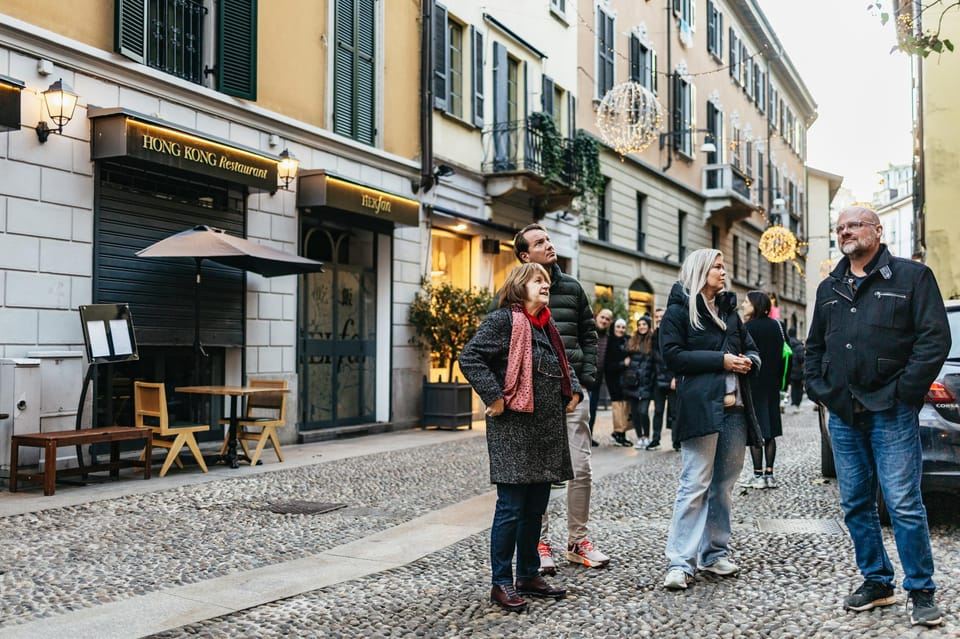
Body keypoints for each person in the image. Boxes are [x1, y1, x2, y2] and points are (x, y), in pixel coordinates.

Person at [804, 206, 950, 627]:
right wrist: (822, 389)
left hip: (891, 411)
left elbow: (934, 339)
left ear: (877, 231)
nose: (845, 231)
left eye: (853, 225)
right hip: (845, 413)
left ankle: (921, 590)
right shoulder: (830, 287)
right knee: (854, 504)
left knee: (903, 503)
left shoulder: (912, 277)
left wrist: (905, 393)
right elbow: (814, 348)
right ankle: (877, 581)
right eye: (839, 227)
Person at [459, 262, 579, 612]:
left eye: (546, 281)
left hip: (545, 431)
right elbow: (471, 358)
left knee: (535, 508)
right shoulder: (503, 321)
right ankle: (501, 582)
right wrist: (494, 396)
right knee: (511, 508)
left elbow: (562, 363)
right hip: (513, 429)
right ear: (518, 286)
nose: (545, 285)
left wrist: (574, 389)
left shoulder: (546, 325)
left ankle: (528, 574)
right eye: (537, 280)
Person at [659, 249, 763, 590]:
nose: (724, 272)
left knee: (724, 486)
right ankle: (680, 561)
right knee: (694, 484)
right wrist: (723, 361)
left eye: (723, 265)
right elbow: (673, 357)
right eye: (718, 266)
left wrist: (749, 361)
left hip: (736, 411)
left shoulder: (731, 312)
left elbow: (751, 348)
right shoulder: (678, 311)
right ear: (701, 270)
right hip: (701, 408)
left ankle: (714, 552)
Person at [511, 223, 609, 574]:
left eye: (549, 239)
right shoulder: (515, 293)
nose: (549, 245)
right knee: (537, 474)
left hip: (571, 395)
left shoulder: (571, 288)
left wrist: (583, 382)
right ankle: (539, 543)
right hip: (535, 400)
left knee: (580, 469)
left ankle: (577, 541)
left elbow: (589, 334)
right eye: (539, 242)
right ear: (525, 255)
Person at [742, 291, 785, 489]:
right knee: (771, 430)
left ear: (755, 305)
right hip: (772, 384)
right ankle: (770, 474)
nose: (743, 305)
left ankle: (758, 475)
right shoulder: (777, 326)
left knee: (756, 430)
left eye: (746, 302)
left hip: (753, 384)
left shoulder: (747, 328)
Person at [623, 315, 656, 449]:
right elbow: (624, 353)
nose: (642, 326)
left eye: (644, 324)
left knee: (643, 411)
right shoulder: (632, 340)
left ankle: (647, 437)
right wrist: (624, 361)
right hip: (633, 383)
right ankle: (640, 438)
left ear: (648, 326)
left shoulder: (652, 341)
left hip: (646, 382)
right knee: (635, 413)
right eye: (640, 324)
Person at [652, 308, 679, 451]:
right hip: (658, 380)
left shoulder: (673, 333)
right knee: (658, 411)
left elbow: (676, 356)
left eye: (661, 316)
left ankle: (676, 442)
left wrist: (675, 377)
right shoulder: (654, 335)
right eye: (656, 316)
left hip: (672, 379)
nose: (659, 318)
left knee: (675, 412)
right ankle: (655, 440)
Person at [588, 308, 614, 447]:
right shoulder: (588, 332)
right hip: (584, 379)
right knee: (581, 412)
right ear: (597, 317)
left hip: (597, 381)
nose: (604, 320)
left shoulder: (608, 338)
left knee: (592, 411)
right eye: (602, 317)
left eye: (607, 319)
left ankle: (588, 436)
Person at [606, 318, 632, 447]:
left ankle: (622, 434)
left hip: (627, 380)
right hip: (614, 379)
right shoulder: (609, 342)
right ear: (614, 327)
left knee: (626, 407)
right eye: (618, 327)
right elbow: (608, 365)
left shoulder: (628, 340)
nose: (621, 329)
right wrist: (623, 364)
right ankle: (618, 433)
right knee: (618, 407)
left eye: (623, 327)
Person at [786, 327, 805, 413]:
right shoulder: (799, 345)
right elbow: (802, 358)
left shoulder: (787, 344)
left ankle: (793, 402)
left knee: (793, 387)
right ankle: (797, 403)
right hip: (798, 371)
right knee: (799, 387)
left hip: (789, 370)